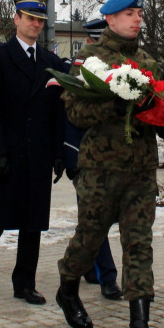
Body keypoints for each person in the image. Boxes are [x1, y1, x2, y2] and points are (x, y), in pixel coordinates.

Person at [56, 0, 164, 328]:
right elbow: (76, 115)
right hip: (101, 168)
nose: (137, 19)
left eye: (139, 13)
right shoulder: (90, 59)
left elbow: (162, 112)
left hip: (140, 168)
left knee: (139, 243)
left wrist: (162, 110)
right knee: (90, 238)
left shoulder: (150, 61)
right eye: (129, 14)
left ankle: (139, 327)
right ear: (110, 19)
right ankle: (68, 288)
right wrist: (115, 101)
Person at [0, 0, 67, 306]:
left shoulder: (50, 63)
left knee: (32, 222)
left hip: (37, 154)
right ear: (16, 20)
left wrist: (59, 152)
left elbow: (56, 112)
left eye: (40, 21)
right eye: (30, 19)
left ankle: (24, 283)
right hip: (6, 154)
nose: (35, 25)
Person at [64, 19, 122, 301]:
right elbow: (67, 117)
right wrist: (70, 156)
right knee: (94, 219)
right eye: (98, 42)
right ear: (89, 42)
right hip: (87, 158)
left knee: (100, 220)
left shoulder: (126, 70)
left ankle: (89, 266)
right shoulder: (78, 71)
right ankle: (107, 278)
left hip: (118, 159)